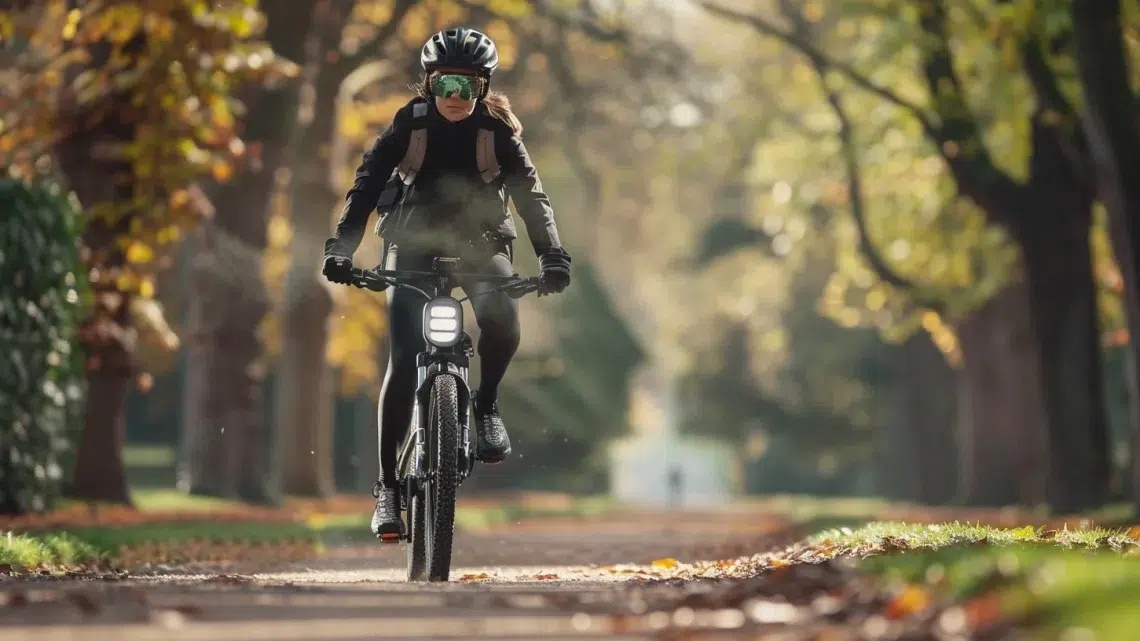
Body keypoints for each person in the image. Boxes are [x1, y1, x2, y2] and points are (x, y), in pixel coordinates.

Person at [321, 27, 572, 538]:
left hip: (481, 247)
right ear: (428, 84)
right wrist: (341, 250)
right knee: (402, 358)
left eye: (467, 87)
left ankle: (484, 404)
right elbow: (366, 185)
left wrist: (552, 256)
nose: (455, 99)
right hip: (410, 245)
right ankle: (388, 490)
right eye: (445, 86)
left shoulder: (498, 135)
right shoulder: (406, 126)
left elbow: (531, 198)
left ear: (483, 89)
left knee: (502, 323)